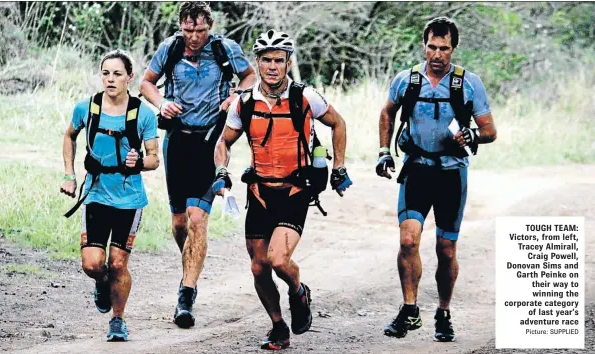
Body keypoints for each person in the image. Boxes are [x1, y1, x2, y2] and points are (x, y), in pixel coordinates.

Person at [213, 29, 352, 350]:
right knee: (258, 267)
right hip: (260, 192)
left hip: (295, 191)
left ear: (288, 62)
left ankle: (298, 291)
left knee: (278, 259)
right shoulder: (244, 103)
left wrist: (339, 166)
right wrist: (222, 170)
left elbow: (338, 123)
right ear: (256, 63)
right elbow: (224, 142)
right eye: (265, 61)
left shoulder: (306, 96)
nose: (272, 67)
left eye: (279, 60)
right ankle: (278, 327)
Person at [376, 17, 497, 342]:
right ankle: (410, 309)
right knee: (408, 240)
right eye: (432, 46)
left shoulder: (468, 83)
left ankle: (443, 312)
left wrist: (472, 133)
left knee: (446, 249)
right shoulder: (408, 80)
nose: (437, 54)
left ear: (453, 48)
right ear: (424, 45)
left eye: (444, 48)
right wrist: (383, 151)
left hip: (451, 174)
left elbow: (490, 131)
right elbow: (387, 112)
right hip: (416, 169)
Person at [139, 2, 256, 329]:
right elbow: (146, 83)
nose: (193, 37)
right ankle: (190, 265)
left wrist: (236, 97)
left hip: (212, 141)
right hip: (177, 140)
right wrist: (162, 103)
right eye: (188, 30)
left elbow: (249, 76)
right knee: (179, 223)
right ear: (181, 27)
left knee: (197, 220)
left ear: (211, 25)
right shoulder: (170, 47)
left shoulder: (224, 48)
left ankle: (186, 294)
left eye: (199, 31)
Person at [60, 50, 159, 341]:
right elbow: (69, 136)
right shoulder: (86, 108)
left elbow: (154, 158)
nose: (110, 79)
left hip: (129, 200)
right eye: (106, 73)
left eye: (117, 74)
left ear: (130, 77)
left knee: (118, 262)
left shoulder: (143, 114)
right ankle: (102, 283)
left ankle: (118, 320)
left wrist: (139, 161)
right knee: (92, 264)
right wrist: (69, 174)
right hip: (95, 194)